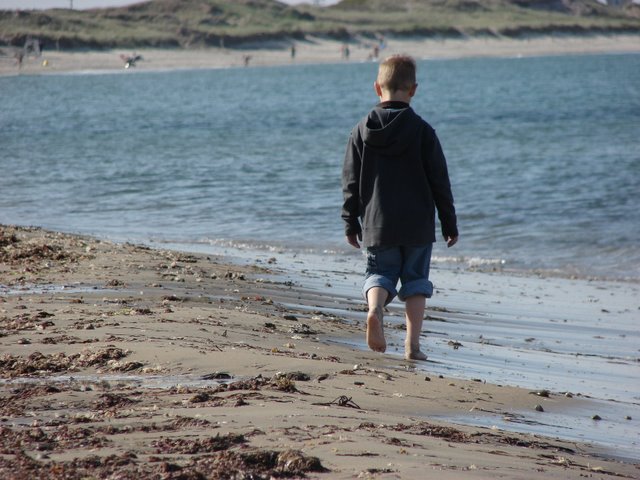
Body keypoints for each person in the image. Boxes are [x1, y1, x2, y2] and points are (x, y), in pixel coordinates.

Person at [341, 54, 458, 361]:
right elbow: (439, 182)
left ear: (377, 88)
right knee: (416, 282)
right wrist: (449, 222)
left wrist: (350, 222)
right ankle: (412, 346)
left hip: (378, 222)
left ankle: (375, 309)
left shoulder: (360, 131)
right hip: (418, 223)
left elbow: (350, 181)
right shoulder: (422, 131)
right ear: (413, 89)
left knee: (380, 273)